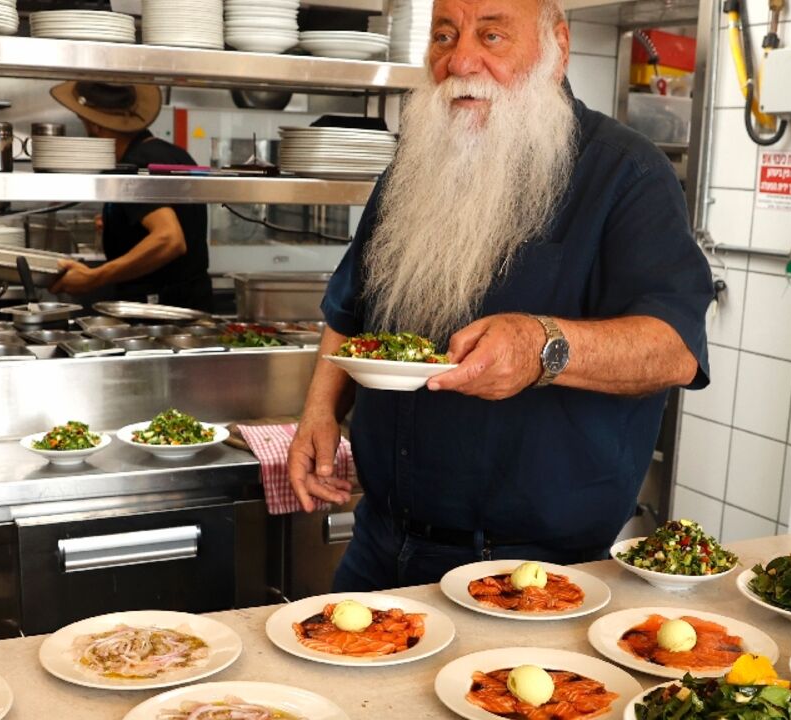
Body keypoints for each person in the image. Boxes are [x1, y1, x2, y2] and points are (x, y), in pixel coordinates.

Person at [287, 0, 714, 591]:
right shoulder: (415, 165)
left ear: (557, 49)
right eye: (444, 34)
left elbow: (674, 349)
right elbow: (349, 308)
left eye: (492, 36)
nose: (461, 59)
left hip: (533, 571)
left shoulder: (625, 174)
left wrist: (543, 345)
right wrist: (318, 412)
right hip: (381, 544)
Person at [48, 81, 212, 310]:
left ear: (95, 125)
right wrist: (121, 224)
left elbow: (170, 239)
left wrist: (93, 278)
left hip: (159, 310)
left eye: (82, 119)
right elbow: (175, 219)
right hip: (193, 304)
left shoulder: (132, 166)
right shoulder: (173, 153)